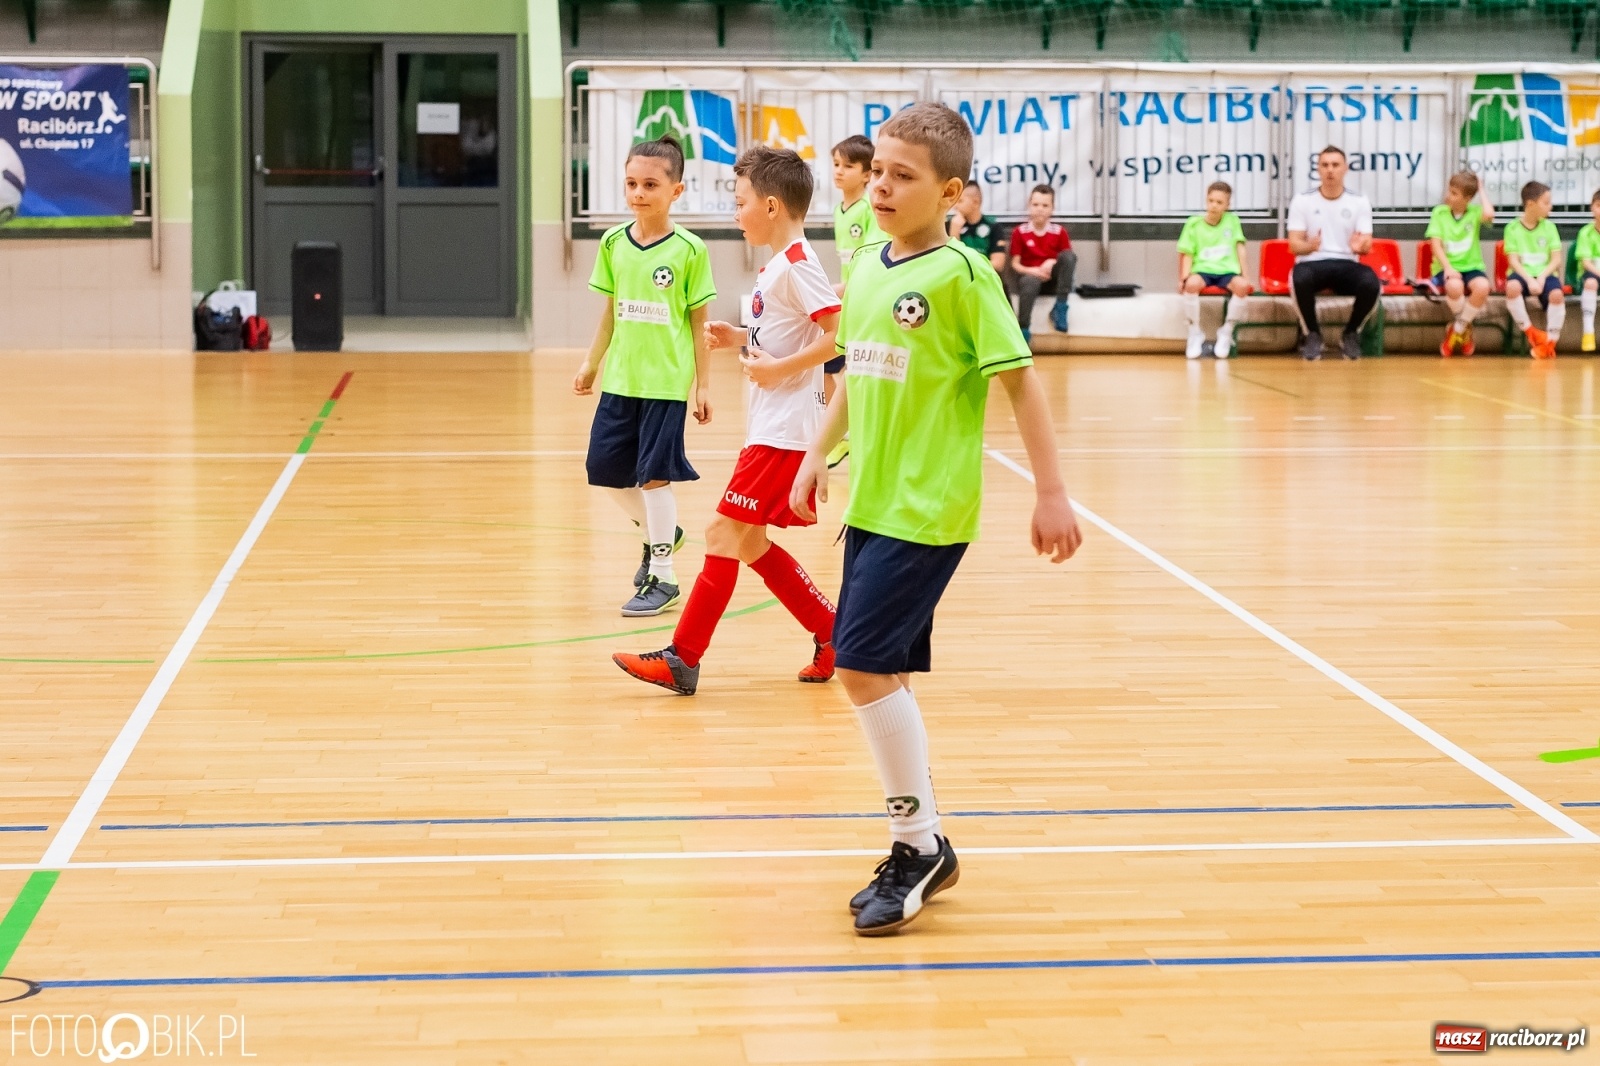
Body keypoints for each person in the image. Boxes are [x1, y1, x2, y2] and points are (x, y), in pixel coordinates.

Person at [789, 103, 1082, 937]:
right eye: (877, 172)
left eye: (902, 176)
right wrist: (816, 453)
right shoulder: (868, 269)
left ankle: (919, 845)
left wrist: (1051, 492)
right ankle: (920, 842)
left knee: (858, 665)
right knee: (886, 672)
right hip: (872, 502)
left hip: (929, 508)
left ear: (950, 193)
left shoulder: (963, 276)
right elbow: (856, 372)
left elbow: (1020, 381)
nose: (881, 187)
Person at [612, 146, 841, 695]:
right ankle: (833, 632)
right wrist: (739, 337)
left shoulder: (799, 265)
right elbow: (791, 332)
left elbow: (838, 336)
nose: (735, 214)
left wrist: (777, 369)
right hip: (771, 426)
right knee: (750, 543)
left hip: (785, 431)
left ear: (770, 206)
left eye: (739, 203)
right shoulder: (779, 266)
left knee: (721, 532)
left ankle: (682, 658)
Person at [573, 135, 715, 617]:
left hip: (666, 383)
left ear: (676, 190)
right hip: (621, 380)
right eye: (631, 183)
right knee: (604, 471)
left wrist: (703, 385)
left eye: (650, 184)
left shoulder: (690, 250)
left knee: (653, 477)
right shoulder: (614, 242)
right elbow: (610, 313)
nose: (638, 193)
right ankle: (664, 533)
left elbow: (699, 324)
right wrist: (592, 362)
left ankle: (664, 576)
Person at [1287, 146, 1378, 361]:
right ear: (1318, 169)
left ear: (1345, 168)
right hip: (1312, 262)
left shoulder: (1359, 201)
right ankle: (1312, 334)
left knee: (1371, 282)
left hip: (1346, 263)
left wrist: (1360, 247)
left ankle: (1351, 332)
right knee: (1298, 278)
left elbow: (1366, 243)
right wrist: (1309, 246)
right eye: (1325, 165)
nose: (1330, 170)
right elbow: (1294, 245)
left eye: (1335, 165)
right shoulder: (1302, 200)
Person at [827, 134, 880, 468]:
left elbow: (869, 261)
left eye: (848, 166)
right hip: (847, 300)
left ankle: (851, 435)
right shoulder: (839, 210)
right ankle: (844, 433)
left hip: (864, 299)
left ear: (867, 174)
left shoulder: (870, 209)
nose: (839, 171)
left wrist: (841, 289)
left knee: (855, 369)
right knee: (830, 367)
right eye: (836, 164)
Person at [1177, 181, 1251, 360]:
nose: (1214, 205)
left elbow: (1240, 248)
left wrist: (1246, 276)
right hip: (1203, 270)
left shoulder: (1233, 221)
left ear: (1227, 205)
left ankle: (1227, 331)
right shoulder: (1193, 223)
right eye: (1211, 201)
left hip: (1227, 271)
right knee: (1191, 285)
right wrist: (1184, 278)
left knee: (1242, 287)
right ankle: (1194, 332)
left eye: (1219, 202)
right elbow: (1187, 253)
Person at [1426, 170, 1495, 358]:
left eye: (1454, 193)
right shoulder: (1439, 213)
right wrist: (1448, 268)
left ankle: (1457, 329)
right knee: (1454, 286)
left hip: (1472, 266)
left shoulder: (1475, 212)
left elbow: (1489, 213)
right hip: (1447, 267)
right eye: (1450, 191)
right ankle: (1465, 329)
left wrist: (1480, 189)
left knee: (1482, 287)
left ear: (1468, 199)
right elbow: (1436, 245)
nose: (1449, 196)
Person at [1503, 180, 1564, 360]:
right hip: (1523, 274)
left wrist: (1542, 277)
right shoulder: (1512, 228)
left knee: (1557, 295)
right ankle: (1531, 332)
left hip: (1545, 274)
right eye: (1546, 202)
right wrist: (1529, 280)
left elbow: (1556, 259)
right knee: (1512, 287)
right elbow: (1513, 261)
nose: (1550, 206)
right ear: (1530, 204)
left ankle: (1550, 343)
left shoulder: (1550, 227)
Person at [1007, 183, 1075, 341]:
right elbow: (1015, 264)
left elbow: (1067, 261)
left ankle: (1060, 308)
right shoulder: (1020, 232)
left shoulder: (1059, 232)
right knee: (1030, 281)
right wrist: (1034, 271)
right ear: (1029, 205)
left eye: (1045, 205)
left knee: (1069, 256)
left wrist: (1052, 262)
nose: (1040, 209)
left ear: (1052, 208)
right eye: (1036, 204)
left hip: (1053, 280)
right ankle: (1023, 330)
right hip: (1030, 279)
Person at [947, 182, 1007, 274]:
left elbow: (998, 264)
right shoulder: (951, 224)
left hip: (984, 276)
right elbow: (949, 262)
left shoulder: (993, 226)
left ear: (975, 203)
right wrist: (954, 233)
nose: (955, 206)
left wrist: (968, 266)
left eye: (960, 201)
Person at [1574, 189, 1600, 352]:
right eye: (1598, 206)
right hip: (1592, 273)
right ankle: (1588, 332)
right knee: (1590, 283)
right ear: (1592, 207)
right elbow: (1586, 263)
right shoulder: (1585, 233)